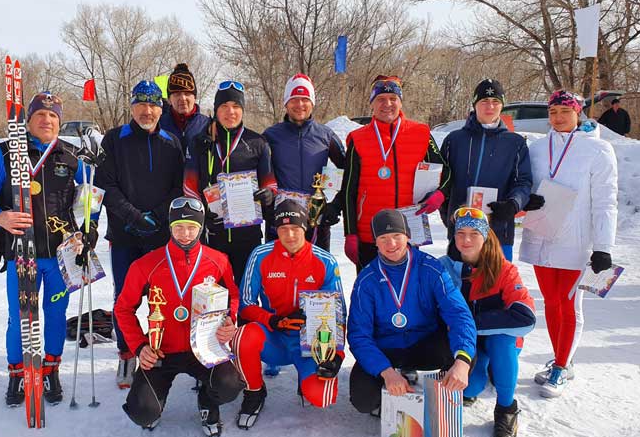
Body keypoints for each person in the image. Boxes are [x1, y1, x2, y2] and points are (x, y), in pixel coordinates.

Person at [0, 91, 96, 407]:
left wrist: (90, 227)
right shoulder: (6, 154)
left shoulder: (72, 158)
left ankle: (50, 370)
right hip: (21, 255)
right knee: (20, 318)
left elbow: (90, 199)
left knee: (56, 314)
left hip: (60, 256)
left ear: (59, 121)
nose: (46, 120)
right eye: (40, 115)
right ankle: (18, 374)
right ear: (28, 121)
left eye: (53, 116)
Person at [115, 197, 245, 437]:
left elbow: (233, 297)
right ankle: (155, 404)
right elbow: (123, 309)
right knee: (142, 412)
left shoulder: (217, 261)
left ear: (200, 227)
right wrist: (140, 346)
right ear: (170, 227)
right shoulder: (146, 264)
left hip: (203, 349)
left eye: (192, 227)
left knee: (229, 386)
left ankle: (207, 400)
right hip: (161, 351)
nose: (185, 234)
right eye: (179, 227)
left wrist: (230, 320)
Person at [519, 90, 618, 398]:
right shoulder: (536, 148)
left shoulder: (598, 150)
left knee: (569, 303)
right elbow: (526, 185)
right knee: (550, 302)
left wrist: (603, 246)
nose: (558, 117)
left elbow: (606, 201)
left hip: (576, 242)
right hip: (542, 235)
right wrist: (528, 199)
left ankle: (562, 367)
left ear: (578, 113)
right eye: (553, 112)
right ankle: (560, 358)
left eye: (565, 111)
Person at [95, 80, 185, 389]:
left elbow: (177, 187)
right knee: (126, 297)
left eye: (154, 105)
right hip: (125, 234)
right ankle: (127, 353)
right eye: (142, 104)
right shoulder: (114, 139)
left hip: (159, 234)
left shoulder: (171, 142)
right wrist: (133, 216)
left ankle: (160, 348)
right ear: (132, 106)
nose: (148, 111)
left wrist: (158, 217)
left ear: (162, 108)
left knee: (163, 298)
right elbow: (105, 185)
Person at [347, 209, 476, 416]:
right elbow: (358, 335)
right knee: (362, 400)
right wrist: (386, 372)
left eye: (397, 236)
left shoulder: (431, 268)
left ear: (407, 236)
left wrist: (462, 363)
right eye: (383, 238)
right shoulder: (366, 280)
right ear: (375, 242)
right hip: (387, 349)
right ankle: (389, 395)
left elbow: (459, 315)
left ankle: (442, 396)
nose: (391, 244)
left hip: (424, 344)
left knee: (465, 356)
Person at [232, 200, 345, 428]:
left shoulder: (325, 260)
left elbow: (338, 312)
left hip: (310, 343)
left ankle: (305, 380)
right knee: (243, 336)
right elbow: (245, 303)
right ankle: (254, 391)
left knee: (323, 397)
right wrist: (271, 319)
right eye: (283, 229)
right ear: (276, 230)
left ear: (305, 228)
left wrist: (338, 355)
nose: (290, 235)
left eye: (295, 228)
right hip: (273, 335)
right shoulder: (261, 255)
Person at [439, 207, 536, 437]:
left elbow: (525, 317)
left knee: (501, 341)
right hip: (468, 344)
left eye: (474, 233)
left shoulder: (504, 269)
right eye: (460, 233)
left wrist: (468, 323)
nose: (467, 239)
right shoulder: (444, 266)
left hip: (498, 340)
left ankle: (506, 408)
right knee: (470, 388)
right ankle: (484, 372)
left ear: (486, 236)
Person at [339, 76, 450, 270]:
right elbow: (349, 190)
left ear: (400, 101)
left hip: (410, 230)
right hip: (370, 233)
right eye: (381, 99)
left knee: (409, 292)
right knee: (371, 292)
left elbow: (446, 171)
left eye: (393, 98)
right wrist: (350, 233)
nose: (387, 104)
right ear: (372, 103)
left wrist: (441, 194)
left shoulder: (421, 133)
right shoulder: (357, 139)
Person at [183, 80, 278, 284]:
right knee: (213, 298)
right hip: (212, 236)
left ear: (242, 110)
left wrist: (268, 195)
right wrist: (201, 214)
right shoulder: (200, 143)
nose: (230, 112)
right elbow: (189, 187)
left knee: (246, 298)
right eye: (224, 106)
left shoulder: (257, 143)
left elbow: (270, 184)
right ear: (216, 110)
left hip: (248, 237)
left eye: (236, 106)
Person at [440, 79, 534, 261]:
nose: (490, 106)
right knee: (460, 286)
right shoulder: (455, 140)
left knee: (497, 286)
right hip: (462, 234)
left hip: (498, 232)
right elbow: (443, 182)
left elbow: (523, 181)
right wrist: (449, 218)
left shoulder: (515, 143)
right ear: (475, 104)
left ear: (502, 106)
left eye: (495, 102)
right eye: (484, 101)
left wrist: (512, 204)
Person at [263, 74, 346, 251]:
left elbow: (350, 172)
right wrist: (267, 205)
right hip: (282, 218)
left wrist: (336, 205)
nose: (299, 105)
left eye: (305, 99)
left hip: (315, 218)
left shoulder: (326, 135)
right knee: (277, 272)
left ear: (312, 103)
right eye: (294, 99)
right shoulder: (271, 135)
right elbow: (257, 173)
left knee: (318, 272)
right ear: (286, 103)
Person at [159, 63, 209, 153]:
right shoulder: (159, 126)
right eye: (177, 94)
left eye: (187, 93)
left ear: (194, 97)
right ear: (169, 99)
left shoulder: (207, 126)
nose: (182, 98)